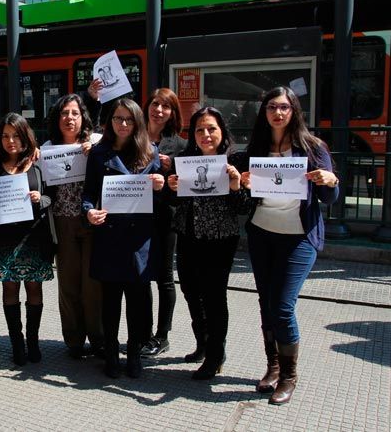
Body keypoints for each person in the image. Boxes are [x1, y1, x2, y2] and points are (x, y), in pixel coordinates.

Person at [239, 86, 339, 405]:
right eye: (271, 107)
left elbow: (328, 196)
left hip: (298, 238)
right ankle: (273, 366)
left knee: (282, 307)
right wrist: (241, 182)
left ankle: (289, 376)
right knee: (266, 303)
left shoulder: (312, 147)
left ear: (294, 110)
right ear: (264, 112)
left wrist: (330, 182)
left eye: (284, 107)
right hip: (262, 233)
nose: (277, 113)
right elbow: (242, 191)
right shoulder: (257, 148)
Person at [82, 98, 165, 379]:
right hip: (110, 238)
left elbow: (164, 199)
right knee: (111, 302)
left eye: (129, 119)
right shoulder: (99, 153)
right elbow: (88, 194)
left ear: (138, 122)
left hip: (139, 239)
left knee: (138, 301)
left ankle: (133, 354)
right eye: (118, 118)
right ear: (110, 122)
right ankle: (111, 355)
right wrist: (89, 212)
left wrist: (161, 185)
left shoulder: (151, 153)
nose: (123, 124)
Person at [167, 107, 249, 379]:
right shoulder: (185, 159)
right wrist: (172, 188)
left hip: (220, 238)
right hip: (189, 235)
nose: (205, 134)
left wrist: (236, 184)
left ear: (222, 130)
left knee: (214, 297)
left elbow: (244, 207)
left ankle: (216, 354)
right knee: (191, 292)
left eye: (211, 128)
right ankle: (202, 343)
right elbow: (174, 203)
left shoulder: (236, 159)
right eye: (199, 129)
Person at [0, 113, 54, 365]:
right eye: (5, 136)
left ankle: (33, 342)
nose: (10, 141)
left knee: (35, 288)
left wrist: (40, 199)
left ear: (25, 137)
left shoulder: (38, 164)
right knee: (10, 289)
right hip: (5, 239)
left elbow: (51, 198)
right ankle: (16, 343)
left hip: (34, 237)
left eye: (15, 135)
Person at [42, 94, 104, 359]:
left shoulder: (97, 142)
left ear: (83, 117)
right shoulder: (47, 147)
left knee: (94, 285)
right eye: (64, 113)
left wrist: (97, 153)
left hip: (91, 222)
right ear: (58, 119)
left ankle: (99, 339)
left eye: (75, 113)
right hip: (62, 222)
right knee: (68, 284)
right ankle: (74, 340)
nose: (69, 118)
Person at [140, 88, 186, 358]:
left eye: (166, 107)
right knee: (141, 276)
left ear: (172, 113)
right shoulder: (134, 138)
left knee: (165, 278)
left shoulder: (180, 146)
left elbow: (187, 188)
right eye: (155, 104)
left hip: (167, 217)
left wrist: (171, 171)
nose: (159, 110)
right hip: (137, 215)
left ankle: (162, 335)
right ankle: (143, 333)